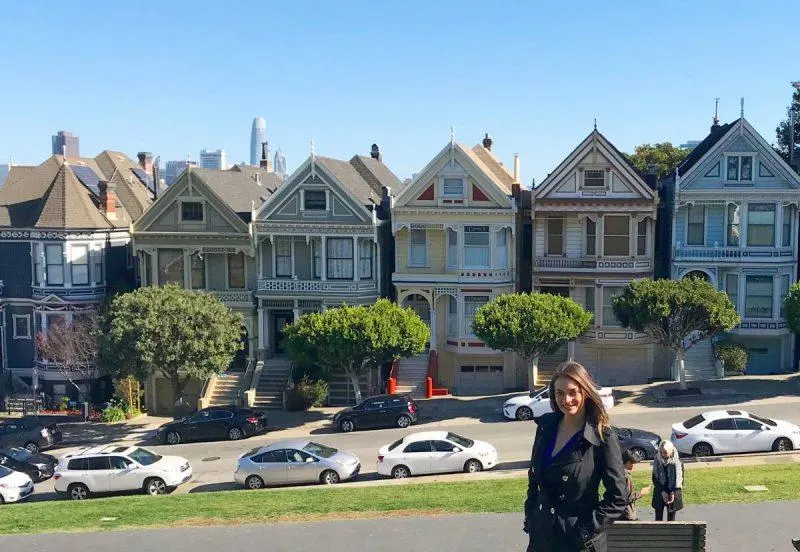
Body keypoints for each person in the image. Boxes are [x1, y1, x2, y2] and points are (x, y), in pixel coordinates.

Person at [524, 362, 628, 552]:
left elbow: (618, 498)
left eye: (573, 392)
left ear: (586, 392)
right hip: (541, 538)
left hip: (577, 543)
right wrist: (531, 517)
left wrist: (584, 531)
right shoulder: (546, 426)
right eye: (560, 393)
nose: (567, 399)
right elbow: (533, 478)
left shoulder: (601, 437)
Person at [651, 440, 684, 521]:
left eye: (665, 452)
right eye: (661, 452)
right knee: (658, 519)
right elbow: (654, 478)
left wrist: (673, 492)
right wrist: (662, 491)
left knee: (671, 520)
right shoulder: (657, 461)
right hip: (660, 491)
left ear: (671, 451)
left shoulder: (678, 463)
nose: (662, 455)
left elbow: (680, 481)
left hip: (673, 492)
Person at [620, 450, 651, 521]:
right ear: (628, 462)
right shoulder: (626, 476)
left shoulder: (618, 473)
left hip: (619, 512)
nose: (634, 466)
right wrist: (642, 492)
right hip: (627, 514)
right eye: (633, 463)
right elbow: (628, 498)